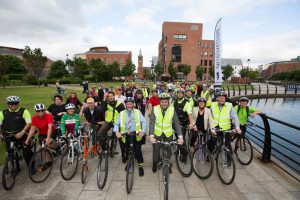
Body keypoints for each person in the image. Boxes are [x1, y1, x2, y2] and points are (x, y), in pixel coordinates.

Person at [149, 93, 184, 173]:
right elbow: (152, 122)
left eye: (166, 102)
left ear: (168, 102)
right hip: (157, 133)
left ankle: (167, 163)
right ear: (159, 102)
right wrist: (151, 136)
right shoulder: (155, 109)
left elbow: (176, 123)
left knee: (169, 150)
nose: (164, 103)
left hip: (168, 133)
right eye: (162, 102)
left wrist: (180, 136)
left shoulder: (172, 109)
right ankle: (155, 163)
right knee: (156, 150)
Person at [114, 97, 147, 176]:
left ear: (133, 104)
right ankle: (128, 163)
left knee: (138, 151)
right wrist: (117, 131)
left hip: (136, 135)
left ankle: (140, 166)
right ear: (125, 104)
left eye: (131, 104)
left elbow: (144, 122)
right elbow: (116, 123)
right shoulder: (122, 113)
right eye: (127, 104)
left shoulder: (137, 112)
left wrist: (143, 131)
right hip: (125, 135)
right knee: (127, 150)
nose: (129, 105)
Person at [0, 96, 33, 171]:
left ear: (18, 103)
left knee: (26, 151)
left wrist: (22, 132)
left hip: (22, 134)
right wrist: (1, 134)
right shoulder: (2, 113)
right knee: (10, 152)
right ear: (8, 104)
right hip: (9, 135)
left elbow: (28, 123)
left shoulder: (24, 111)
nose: (13, 105)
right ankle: (15, 167)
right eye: (11, 103)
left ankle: (31, 166)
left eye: (15, 103)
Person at [99, 91, 126, 161]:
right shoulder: (106, 104)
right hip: (108, 122)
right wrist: (104, 99)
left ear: (115, 96)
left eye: (112, 96)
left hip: (117, 123)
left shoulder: (120, 105)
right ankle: (104, 149)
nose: (110, 97)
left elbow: (124, 115)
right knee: (100, 134)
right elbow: (102, 110)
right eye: (109, 96)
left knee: (118, 137)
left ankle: (121, 153)